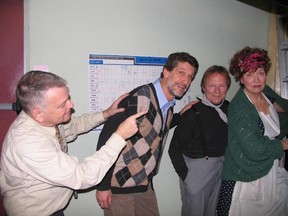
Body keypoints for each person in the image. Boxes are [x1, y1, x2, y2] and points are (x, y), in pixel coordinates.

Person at [0, 70, 146, 216]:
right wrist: (120, 136)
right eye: (63, 104)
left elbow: (75, 126)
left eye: (68, 98)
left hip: (53, 209)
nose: (71, 104)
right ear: (38, 113)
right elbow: (82, 177)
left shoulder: (46, 119)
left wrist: (106, 114)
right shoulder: (27, 143)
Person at [95, 52, 199, 216]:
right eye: (181, 73)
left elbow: (154, 125)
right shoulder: (139, 98)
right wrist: (103, 185)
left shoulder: (168, 104)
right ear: (166, 72)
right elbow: (106, 138)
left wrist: (181, 116)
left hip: (144, 184)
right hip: (119, 187)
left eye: (190, 77)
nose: (186, 81)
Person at [216, 47, 288, 216]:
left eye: (261, 73)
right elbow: (254, 148)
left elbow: (284, 108)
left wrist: (277, 106)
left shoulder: (266, 93)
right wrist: (283, 144)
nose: (256, 80)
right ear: (241, 78)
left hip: (270, 168)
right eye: (249, 74)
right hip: (246, 175)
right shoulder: (240, 107)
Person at [168, 65, 231, 216]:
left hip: (220, 170)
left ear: (227, 87)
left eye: (221, 85)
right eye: (211, 85)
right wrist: (187, 177)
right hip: (196, 172)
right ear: (203, 87)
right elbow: (174, 149)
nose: (217, 91)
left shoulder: (229, 109)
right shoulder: (193, 113)